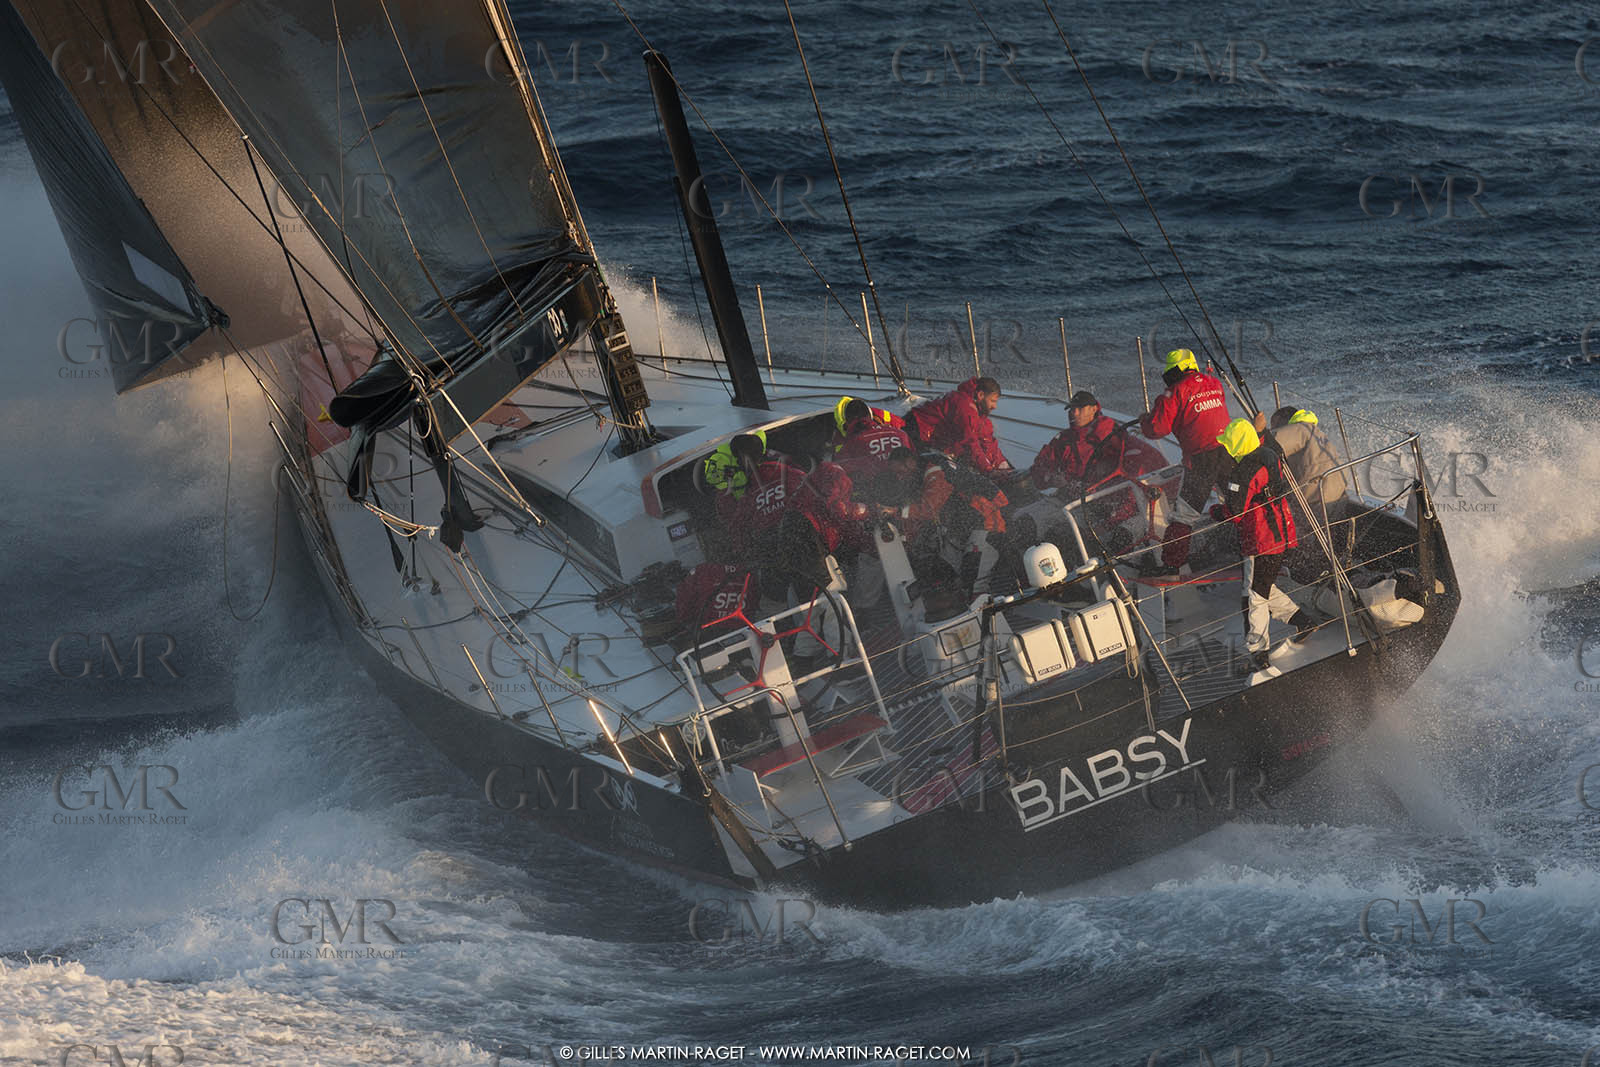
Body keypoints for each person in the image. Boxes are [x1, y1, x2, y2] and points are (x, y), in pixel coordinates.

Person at [1210, 418, 1317, 672]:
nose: (1226, 450)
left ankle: (1259, 653)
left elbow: (1235, 511)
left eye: (1228, 445)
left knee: (1255, 596)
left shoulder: (1243, 472)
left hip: (1260, 540)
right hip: (1280, 534)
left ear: (1237, 445)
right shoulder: (1270, 455)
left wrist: (1217, 511)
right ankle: (1301, 620)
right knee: (1262, 586)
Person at [1140, 349, 1232, 569]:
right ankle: (1248, 547)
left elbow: (1157, 428)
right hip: (1229, 453)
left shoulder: (1174, 393)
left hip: (1201, 461)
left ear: (1174, 372)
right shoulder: (1214, 383)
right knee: (1240, 502)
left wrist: (1145, 420)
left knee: (1184, 516)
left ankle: (1172, 565)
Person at [905, 376, 1014, 477]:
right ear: (980, 395)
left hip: (933, 440)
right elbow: (969, 442)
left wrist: (1005, 469)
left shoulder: (980, 415)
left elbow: (988, 442)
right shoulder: (964, 406)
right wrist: (988, 470)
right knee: (915, 470)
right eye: (992, 401)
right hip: (917, 430)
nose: (995, 406)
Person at [1267, 407, 1351, 529]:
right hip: (1337, 495)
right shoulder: (1316, 432)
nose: (1272, 428)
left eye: (1273, 425)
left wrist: (1259, 432)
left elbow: (1269, 444)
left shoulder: (1299, 429)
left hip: (1316, 499)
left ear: (1283, 422)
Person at [834, 397, 914, 480]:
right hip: (908, 486)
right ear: (870, 415)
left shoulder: (852, 444)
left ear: (847, 422)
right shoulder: (901, 434)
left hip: (878, 488)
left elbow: (839, 474)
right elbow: (915, 461)